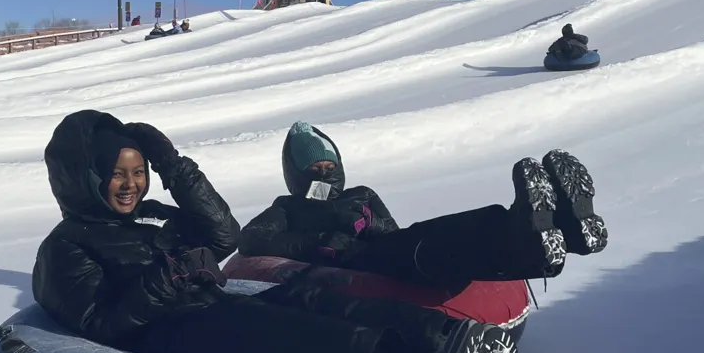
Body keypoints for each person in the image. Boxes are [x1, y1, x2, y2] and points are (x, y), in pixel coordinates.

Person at [31, 110, 520, 353]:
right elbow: (102, 322)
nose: (131, 184)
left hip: (202, 303)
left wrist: (174, 166)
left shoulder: (149, 217)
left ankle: (446, 344)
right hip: (165, 329)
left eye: (138, 172)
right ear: (85, 177)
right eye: (117, 173)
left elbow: (223, 233)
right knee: (258, 327)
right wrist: (171, 276)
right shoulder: (64, 248)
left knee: (308, 299)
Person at [238, 120, 608, 297]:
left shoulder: (361, 194)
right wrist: (319, 241)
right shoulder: (286, 207)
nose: (323, 172)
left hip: (377, 251)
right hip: (344, 269)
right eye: (313, 168)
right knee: (416, 251)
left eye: (328, 165)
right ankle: (527, 242)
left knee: (425, 237)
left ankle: (546, 229)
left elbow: (391, 229)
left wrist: (366, 223)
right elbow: (251, 239)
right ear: (296, 174)